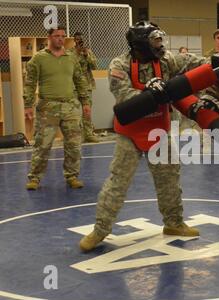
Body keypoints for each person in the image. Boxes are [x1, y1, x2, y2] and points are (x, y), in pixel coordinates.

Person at [79, 21, 205, 252]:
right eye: (155, 40)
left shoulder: (166, 60)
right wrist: (151, 93)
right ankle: (100, 230)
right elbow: (124, 95)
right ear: (141, 44)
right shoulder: (120, 64)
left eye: (160, 39)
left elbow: (195, 63)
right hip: (131, 134)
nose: (160, 44)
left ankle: (174, 223)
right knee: (118, 182)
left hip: (159, 131)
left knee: (169, 179)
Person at [24, 26, 90, 190]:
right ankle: (35, 178)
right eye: (56, 36)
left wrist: (86, 102)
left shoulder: (71, 58)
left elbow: (80, 81)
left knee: (74, 145)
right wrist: (28, 105)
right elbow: (30, 83)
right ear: (49, 37)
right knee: (43, 145)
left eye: (62, 36)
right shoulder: (38, 59)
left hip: (70, 106)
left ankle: (72, 176)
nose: (60, 39)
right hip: (48, 107)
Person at [68, 31, 99, 143]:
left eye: (81, 39)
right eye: (77, 39)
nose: (79, 41)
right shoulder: (70, 52)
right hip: (74, 86)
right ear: (74, 40)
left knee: (87, 111)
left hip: (87, 86)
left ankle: (89, 134)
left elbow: (95, 66)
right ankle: (77, 135)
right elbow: (69, 65)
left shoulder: (88, 51)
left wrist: (87, 55)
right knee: (75, 112)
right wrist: (77, 53)